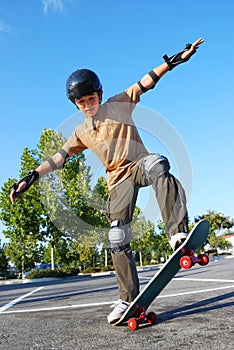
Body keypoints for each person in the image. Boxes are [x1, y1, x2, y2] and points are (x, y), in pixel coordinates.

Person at [10, 37, 204, 324]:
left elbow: (145, 82)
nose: (88, 105)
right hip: (117, 182)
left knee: (159, 164)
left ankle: (177, 234)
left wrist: (173, 61)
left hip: (139, 164)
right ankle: (127, 297)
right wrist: (31, 177)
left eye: (91, 99)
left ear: (99, 94)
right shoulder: (79, 132)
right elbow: (59, 157)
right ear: (75, 104)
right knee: (116, 237)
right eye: (82, 102)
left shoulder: (118, 103)